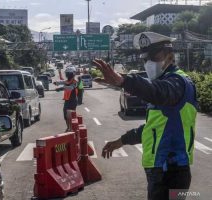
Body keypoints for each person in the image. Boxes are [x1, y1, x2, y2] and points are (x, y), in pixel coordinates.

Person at [93, 32, 197, 200]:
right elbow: (153, 128)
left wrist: (124, 82)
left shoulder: (177, 82)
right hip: (162, 170)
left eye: (153, 56)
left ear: (169, 55)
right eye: (144, 58)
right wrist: (122, 141)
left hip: (171, 171)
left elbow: (159, 91)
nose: (148, 62)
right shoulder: (165, 82)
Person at [55, 66, 78, 131]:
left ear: (73, 74)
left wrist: (61, 88)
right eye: (67, 73)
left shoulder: (75, 81)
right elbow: (62, 81)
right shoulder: (67, 81)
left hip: (73, 101)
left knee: (71, 115)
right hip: (67, 101)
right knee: (65, 115)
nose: (67, 75)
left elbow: (70, 88)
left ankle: (73, 128)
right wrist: (56, 83)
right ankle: (68, 127)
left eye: (69, 74)